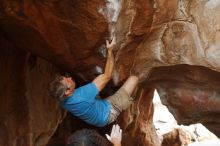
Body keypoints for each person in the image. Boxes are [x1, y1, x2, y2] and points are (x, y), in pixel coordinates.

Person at [49, 37, 139, 127]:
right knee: (134, 78)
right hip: (109, 112)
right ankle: (130, 99)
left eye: (66, 77)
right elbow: (107, 76)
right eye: (68, 81)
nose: (70, 78)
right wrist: (110, 50)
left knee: (95, 92)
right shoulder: (83, 96)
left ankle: (99, 98)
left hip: (96, 113)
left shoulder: (60, 98)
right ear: (67, 92)